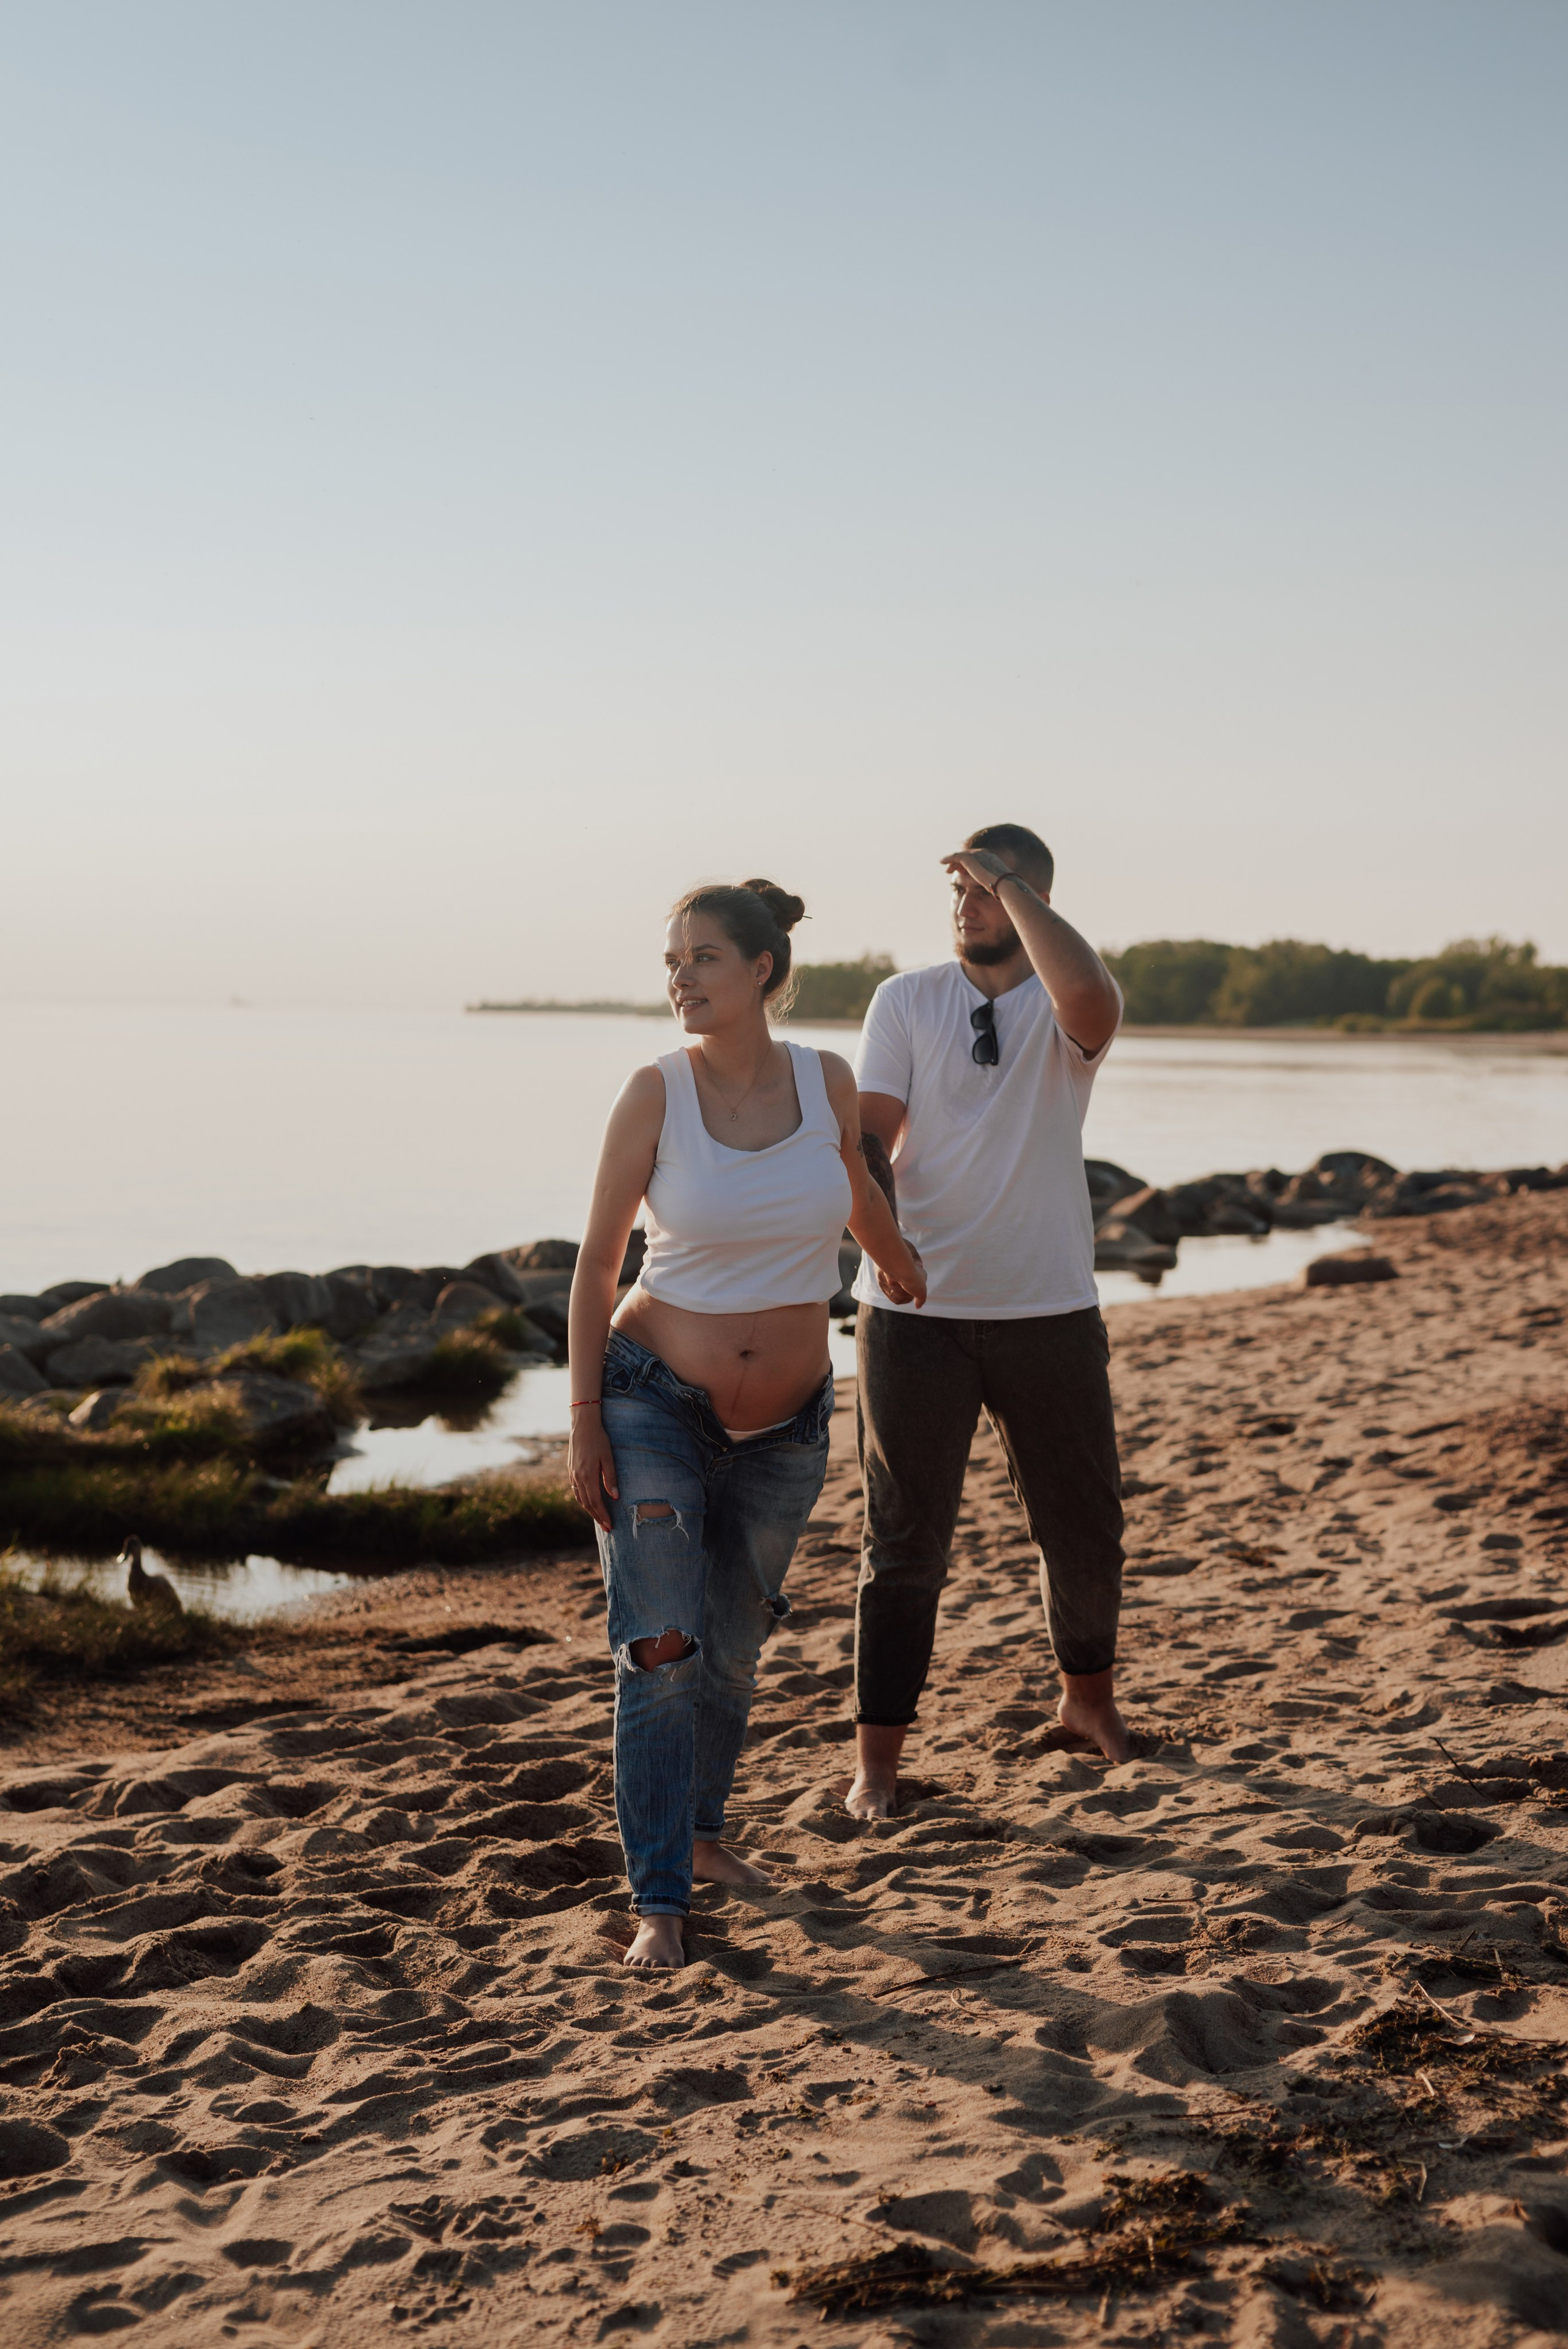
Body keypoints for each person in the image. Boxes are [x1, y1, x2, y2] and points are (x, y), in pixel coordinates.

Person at [568, 879, 926, 1967]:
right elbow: (595, 1264)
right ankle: (660, 1899)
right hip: (651, 1402)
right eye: (673, 960)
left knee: (730, 1652)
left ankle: (709, 1838)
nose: (680, 977)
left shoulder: (826, 1081)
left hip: (787, 1427)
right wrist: (584, 1417)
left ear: (763, 969)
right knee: (663, 1650)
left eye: (705, 958)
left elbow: (852, 1182)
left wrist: (893, 1256)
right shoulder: (654, 1094)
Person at [844, 823, 1128, 1822]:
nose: (964, 905)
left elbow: (1092, 997)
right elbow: (869, 1135)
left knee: (1081, 1524)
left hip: (1048, 1307)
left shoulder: (1069, 1005)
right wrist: (882, 1241)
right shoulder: (906, 999)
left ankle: (1086, 1706)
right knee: (903, 1545)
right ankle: (878, 1763)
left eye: (983, 891)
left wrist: (1006, 880)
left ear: (1028, 899)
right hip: (913, 1316)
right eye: (958, 890)